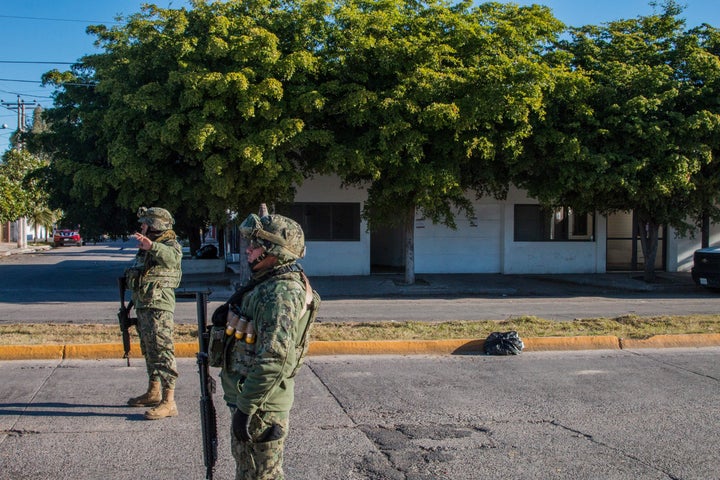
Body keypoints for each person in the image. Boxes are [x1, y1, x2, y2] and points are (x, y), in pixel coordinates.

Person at [208, 213, 320, 480]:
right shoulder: (268, 282)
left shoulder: (281, 292)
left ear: (275, 251)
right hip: (253, 400)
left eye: (256, 245)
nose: (248, 249)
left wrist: (246, 407)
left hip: (261, 407)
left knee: (261, 476)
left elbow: (275, 358)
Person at [124, 206, 183, 420]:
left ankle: (169, 401)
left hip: (159, 308)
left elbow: (172, 260)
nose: (142, 227)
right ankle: (154, 390)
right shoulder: (146, 248)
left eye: (145, 223)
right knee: (149, 351)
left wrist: (152, 246)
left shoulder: (170, 244)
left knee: (163, 351)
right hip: (144, 305)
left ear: (155, 225)